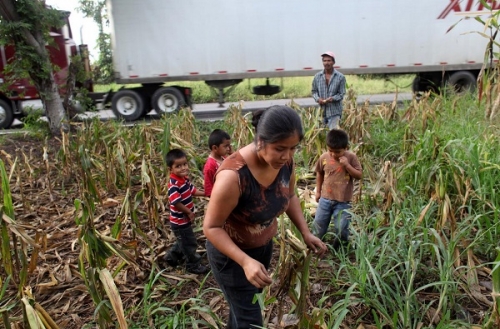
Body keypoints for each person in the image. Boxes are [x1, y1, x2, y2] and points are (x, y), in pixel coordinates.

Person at [203, 105, 327, 329]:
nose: (287, 156)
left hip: (261, 249)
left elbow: (289, 195)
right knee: (250, 319)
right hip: (232, 258)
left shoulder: (284, 163)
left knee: (244, 308)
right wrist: (245, 261)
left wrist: (306, 232)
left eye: (293, 148)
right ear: (260, 140)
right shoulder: (233, 176)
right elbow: (211, 227)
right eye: (280, 148)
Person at [313, 129, 362, 249]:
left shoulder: (351, 158)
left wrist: (347, 165)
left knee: (342, 227)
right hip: (325, 199)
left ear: (346, 148)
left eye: (337, 152)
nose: (333, 154)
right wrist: (318, 191)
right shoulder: (324, 157)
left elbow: (359, 175)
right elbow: (319, 173)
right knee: (319, 224)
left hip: (343, 201)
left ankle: (340, 248)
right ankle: (316, 245)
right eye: (330, 151)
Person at [164, 148, 209, 274]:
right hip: (179, 222)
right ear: (171, 170)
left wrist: (205, 193)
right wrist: (189, 212)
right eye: (178, 166)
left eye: (184, 164)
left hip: (183, 220)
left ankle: (171, 257)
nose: (183, 168)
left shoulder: (184, 179)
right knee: (189, 243)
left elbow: (192, 191)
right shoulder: (174, 184)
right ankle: (192, 265)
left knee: (183, 241)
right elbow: (176, 202)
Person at [311, 51, 346, 130]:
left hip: (334, 112)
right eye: (324, 61)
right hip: (321, 112)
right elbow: (314, 91)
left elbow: (341, 94)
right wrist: (318, 99)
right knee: (320, 136)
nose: (326, 63)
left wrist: (332, 99)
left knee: (334, 135)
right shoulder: (317, 76)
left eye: (329, 60)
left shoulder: (340, 77)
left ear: (333, 62)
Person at [203, 129, 231, 197]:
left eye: (229, 146)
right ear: (215, 148)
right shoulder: (210, 166)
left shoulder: (223, 157)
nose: (228, 149)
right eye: (226, 146)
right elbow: (209, 190)